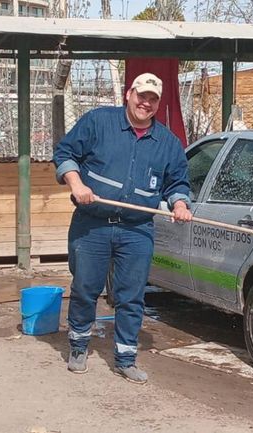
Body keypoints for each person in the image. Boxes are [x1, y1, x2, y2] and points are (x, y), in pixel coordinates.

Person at [53, 73, 192, 384]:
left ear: (159, 102)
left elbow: (178, 182)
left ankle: (126, 358)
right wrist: (76, 184)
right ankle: (78, 345)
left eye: (153, 99)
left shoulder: (168, 143)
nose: (145, 103)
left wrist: (180, 205)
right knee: (85, 289)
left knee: (131, 296)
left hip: (136, 230)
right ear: (129, 93)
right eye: (141, 95)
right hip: (92, 224)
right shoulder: (98, 122)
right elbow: (64, 154)